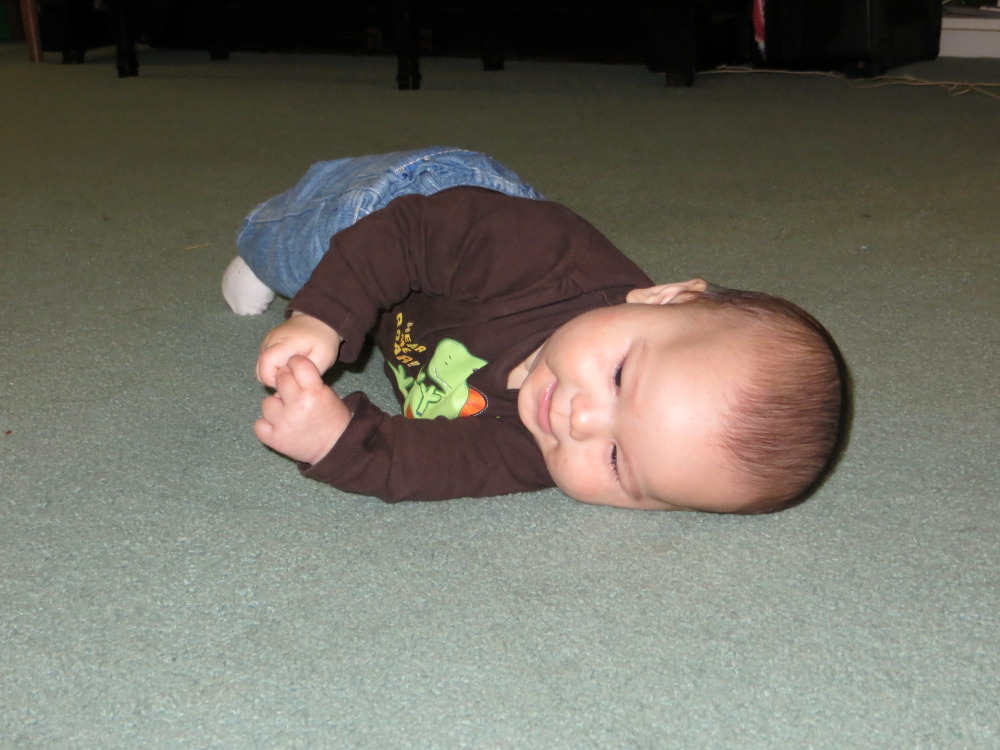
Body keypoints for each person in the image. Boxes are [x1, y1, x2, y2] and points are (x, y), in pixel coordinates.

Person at [223, 147, 847, 514]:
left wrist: (335, 441)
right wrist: (325, 314)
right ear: (663, 299)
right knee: (313, 249)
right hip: (429, 209)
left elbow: (428, 465)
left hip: (417, 314)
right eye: (620, 377)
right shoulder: (544, 258)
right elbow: (404, 238)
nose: (582, 420)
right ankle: (263, 246)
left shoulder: (544, 449)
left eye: (617, 461)